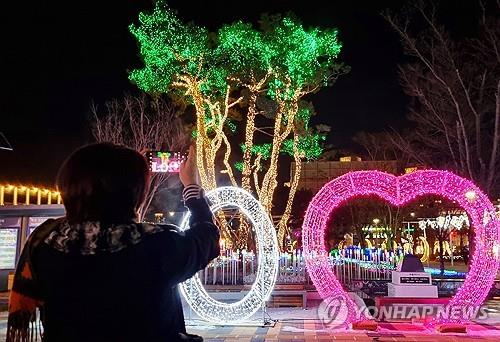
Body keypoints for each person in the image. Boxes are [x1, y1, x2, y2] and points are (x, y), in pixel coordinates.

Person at [7, 143, 220, 342]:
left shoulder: (44, 242)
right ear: (135, 195)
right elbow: (206, 237)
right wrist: (191, 185)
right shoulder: (156, 245)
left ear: (68, 187)